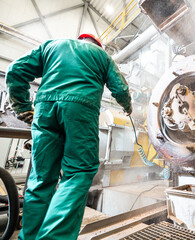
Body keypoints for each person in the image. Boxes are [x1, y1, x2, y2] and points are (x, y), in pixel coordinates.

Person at [6, 33, 132, 239]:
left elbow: (14, 70)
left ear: (80, 39)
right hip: (80, 112)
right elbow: (120, 87)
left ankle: (28, 236)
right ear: (97, 44)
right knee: (78, 173)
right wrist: (127, 106)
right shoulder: (102, 55)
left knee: (41, 179)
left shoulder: (51, 46)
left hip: (45, 111)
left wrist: (22, 107)